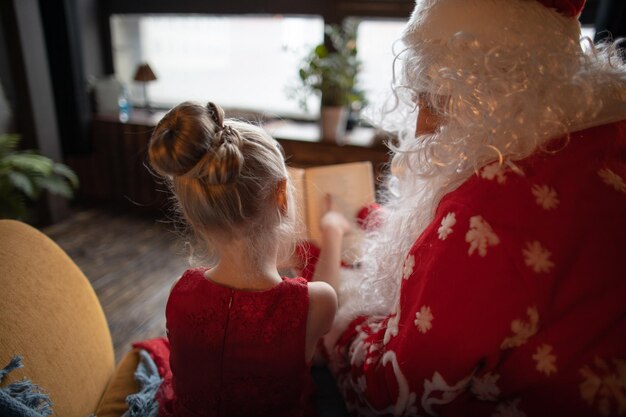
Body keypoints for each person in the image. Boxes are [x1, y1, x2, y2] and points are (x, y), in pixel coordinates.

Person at [309, 0, 626, 415]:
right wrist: (372, 220)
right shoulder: (598, 137)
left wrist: (339, 321)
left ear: (496, 89)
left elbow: (394, 388)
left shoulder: (485, 210)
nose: (422, 127)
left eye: (438, 100)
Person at [145, 101, 338, 417]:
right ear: (281, 195)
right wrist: (333, 237)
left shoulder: (181, 291)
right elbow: (320, 316)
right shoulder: (315, 302)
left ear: (196, 218)